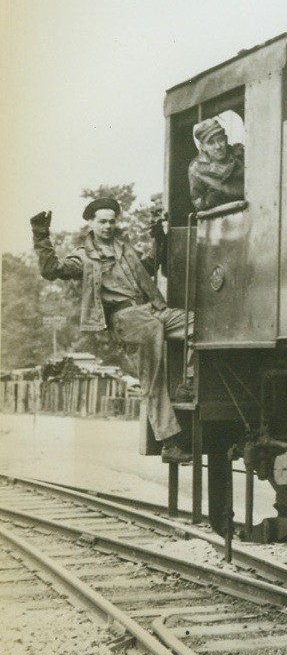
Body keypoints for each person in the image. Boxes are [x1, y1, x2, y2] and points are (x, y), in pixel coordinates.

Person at [30, 198, 193, 463]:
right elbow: (51, 270)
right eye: (102, 221)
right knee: (153, 380)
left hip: (154, 309)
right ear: (91, 223)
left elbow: (149, 267)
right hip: (127, 318)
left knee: (202, 327)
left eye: (111, 221)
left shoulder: (125, 249)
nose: (108, 226)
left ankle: (189, 382)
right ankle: (169, 444)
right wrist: (41, 233)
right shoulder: (83, 257)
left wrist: (158, 237)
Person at [188, 110, 245, 211]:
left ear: (226, 138)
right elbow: (197, 202)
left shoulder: (241, 156)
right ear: (203, 147)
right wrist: (212, 199)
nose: (218, 146)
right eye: (211, 143)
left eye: (220, 139)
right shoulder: (197, 168)